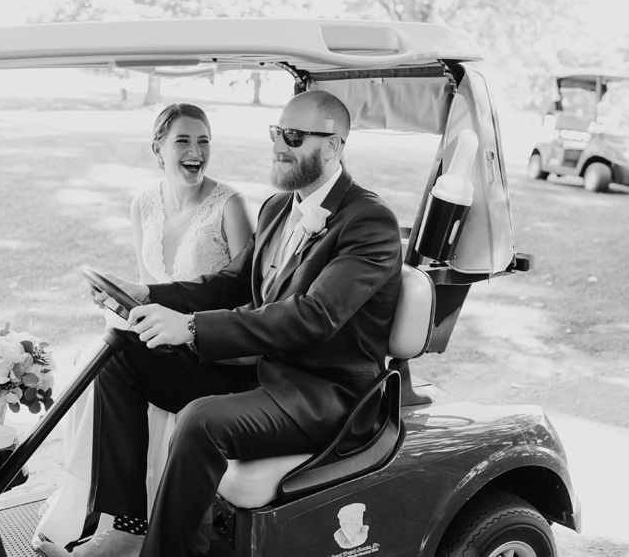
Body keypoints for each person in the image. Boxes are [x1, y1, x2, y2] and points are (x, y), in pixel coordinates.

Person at [38, 89, 402, 557]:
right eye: (276, 133)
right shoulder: (278, 208)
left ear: (333, 146)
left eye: (293, 136)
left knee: (201, 420)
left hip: (324, 396)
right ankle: (128, 528)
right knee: (119, 355)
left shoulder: (369, 222)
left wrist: (191, 329)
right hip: (262, 374)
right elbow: (230, 284)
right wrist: (148, 293)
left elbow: (315, 315)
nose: (278, 146)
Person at [33, 104, 254, 551]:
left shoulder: (229, 205)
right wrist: (123, 298)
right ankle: (120, 519)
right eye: (183, 141)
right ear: (159, 149)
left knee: (114, 354)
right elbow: (147, 287)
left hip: (215, 351)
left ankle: (126, 528)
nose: (196, 151)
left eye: (204, 140)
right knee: (103, 355)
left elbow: (240, 293)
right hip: (165, 339)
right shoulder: (144, 203)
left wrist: (167, 314)